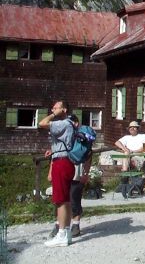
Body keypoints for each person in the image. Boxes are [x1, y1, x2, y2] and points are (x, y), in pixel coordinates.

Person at [48, 114, 92, 239]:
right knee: (61, 198)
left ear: (77, 123)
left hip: (77, 170)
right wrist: (50, 171)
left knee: (74, 197)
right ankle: (60, 225)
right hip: (66, 166)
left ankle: (75, 225)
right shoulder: (64, 135)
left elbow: (89, 155)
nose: (71, 124)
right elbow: (56, 153)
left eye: (73, 121)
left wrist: (85, 173)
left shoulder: (82, 136)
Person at [39, 100, 75, 247]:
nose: (53, 109)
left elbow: (42, 123)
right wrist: (53, 150)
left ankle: (61, 234)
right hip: (65, 160)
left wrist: (54, 114)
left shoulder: (64, 123)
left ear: (64, 109)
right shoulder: (68, 124)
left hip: (61, 162)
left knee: (60, 200)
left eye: (56, 107)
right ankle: (66, 232)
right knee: (65, 199)